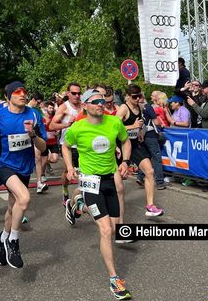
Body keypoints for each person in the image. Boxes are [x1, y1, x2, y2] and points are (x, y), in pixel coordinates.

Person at [63, 89, 132, 300]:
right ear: (85, 106)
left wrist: (125, 162)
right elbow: (65, 146)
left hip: (109, 179)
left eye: (102, 101)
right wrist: (69, 167)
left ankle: (78, 206)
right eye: (95, 102)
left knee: (111, 229)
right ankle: (114, 279)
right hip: (90, 182)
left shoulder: (114, 123)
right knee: (104, 230)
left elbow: (126, 141)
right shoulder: (78, 128)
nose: (100, 104)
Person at [0, 81, 47, 269]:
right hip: (3, 164)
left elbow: (42, 148)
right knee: (24, 199)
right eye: (17, 92)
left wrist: (33, 135)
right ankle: (13, 241)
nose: (22, 94)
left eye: (24, 91)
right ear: (8, 97)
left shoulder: (34, 115)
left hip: (24, 167)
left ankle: (1, 237)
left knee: (13, 207)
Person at [116, 85, 164, 217]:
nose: (138, 99)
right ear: (127, 96)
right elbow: (114, 128)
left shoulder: (140, 107)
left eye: (139, 96)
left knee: (150, 171)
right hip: (121, 145)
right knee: (116, 180)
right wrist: (132, 126)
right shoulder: (123, 109)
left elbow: (140, 126)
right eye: (134, 97)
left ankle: (150, 206)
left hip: (135, 144)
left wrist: (139, 132)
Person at [49, 82, 83, 205]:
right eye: (74, 93)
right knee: (67, 172)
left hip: (83, 145)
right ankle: (65, 189)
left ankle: (82, 195)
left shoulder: (84, 106)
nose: (77, 96)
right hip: (68, 146)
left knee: (85, 172)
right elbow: (52, 125)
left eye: (79, 93)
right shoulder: (64, 107)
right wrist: (67, 124)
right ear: (68, 93)